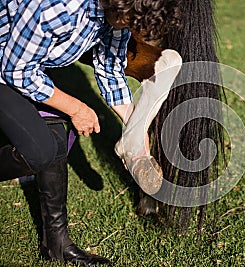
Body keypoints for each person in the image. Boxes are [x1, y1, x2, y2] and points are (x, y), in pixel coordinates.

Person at [0, 0, 179, 265]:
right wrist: (76, 107)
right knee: (39, 152)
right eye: (129, 23)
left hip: (26, 68)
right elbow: (15, 71)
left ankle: (57, 246)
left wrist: (135, 130)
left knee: (54, 141)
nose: (128, 29)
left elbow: (109, 69)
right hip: (8, 69)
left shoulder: (115, 15)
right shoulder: (55, 8)